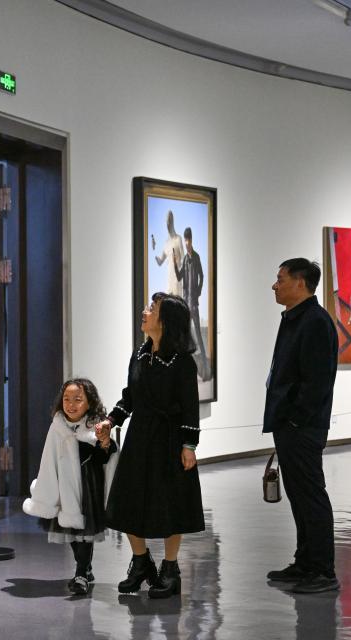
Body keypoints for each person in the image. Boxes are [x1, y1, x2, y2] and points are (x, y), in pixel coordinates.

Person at [97, 292, 204, 599]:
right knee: (130, 500)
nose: (144, 312)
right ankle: (141, 562)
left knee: (171, 503)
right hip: (139, 437)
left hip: (169, 440)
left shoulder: (182, 362)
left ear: (165, 320)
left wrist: (189, 445)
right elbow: (129, 397)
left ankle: (170, 569)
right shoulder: (140, 355)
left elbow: (190, 406)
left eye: (151, 309)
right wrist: (111, 421)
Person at [264, 258, 339, 594]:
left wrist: (296, 418)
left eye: (280, 279)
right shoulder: (296, 319)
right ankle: (305, 562)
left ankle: (322, 571)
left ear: (299, 282)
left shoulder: (315, 322)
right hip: (290, 424)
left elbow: (317, 381)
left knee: (310, 495)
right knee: (298, 495)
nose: (275, 285)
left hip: (303, 427)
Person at [23, 378, 119, 596]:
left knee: (84, 532)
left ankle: (81, 573)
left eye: (78, 399)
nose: (71, 404)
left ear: (89, 402)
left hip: (89, 486)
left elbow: (104, 457)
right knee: (72, 530)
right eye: (67, 399)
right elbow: (49, 459)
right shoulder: (57, 426)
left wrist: (105, 444)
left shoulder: (96, 426)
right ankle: (85, 567)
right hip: (64, 487)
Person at [175, 226, 210, 381]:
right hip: (185, 304)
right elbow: (179, 276)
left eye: (188, 239)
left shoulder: (196, 257)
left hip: (194, 304)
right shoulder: (184, 259)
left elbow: (202, 276)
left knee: (199, 338)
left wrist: (198, 292)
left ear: (191, 240)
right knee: (185, 337)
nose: (187, 242)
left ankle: (206, 372)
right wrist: (174, 263)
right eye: (185, 240)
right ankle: (188, 374)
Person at [152, 211, 185, 297]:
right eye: (166, 221)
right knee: (169, 300)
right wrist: (154, 252)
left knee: (177, 300)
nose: (168, 223)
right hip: (169, 278)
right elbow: (160, 262)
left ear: (172, 222)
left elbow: (184, 258)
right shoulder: (166, 243)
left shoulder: (178, 239)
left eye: (169, 221)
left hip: (177, 278)